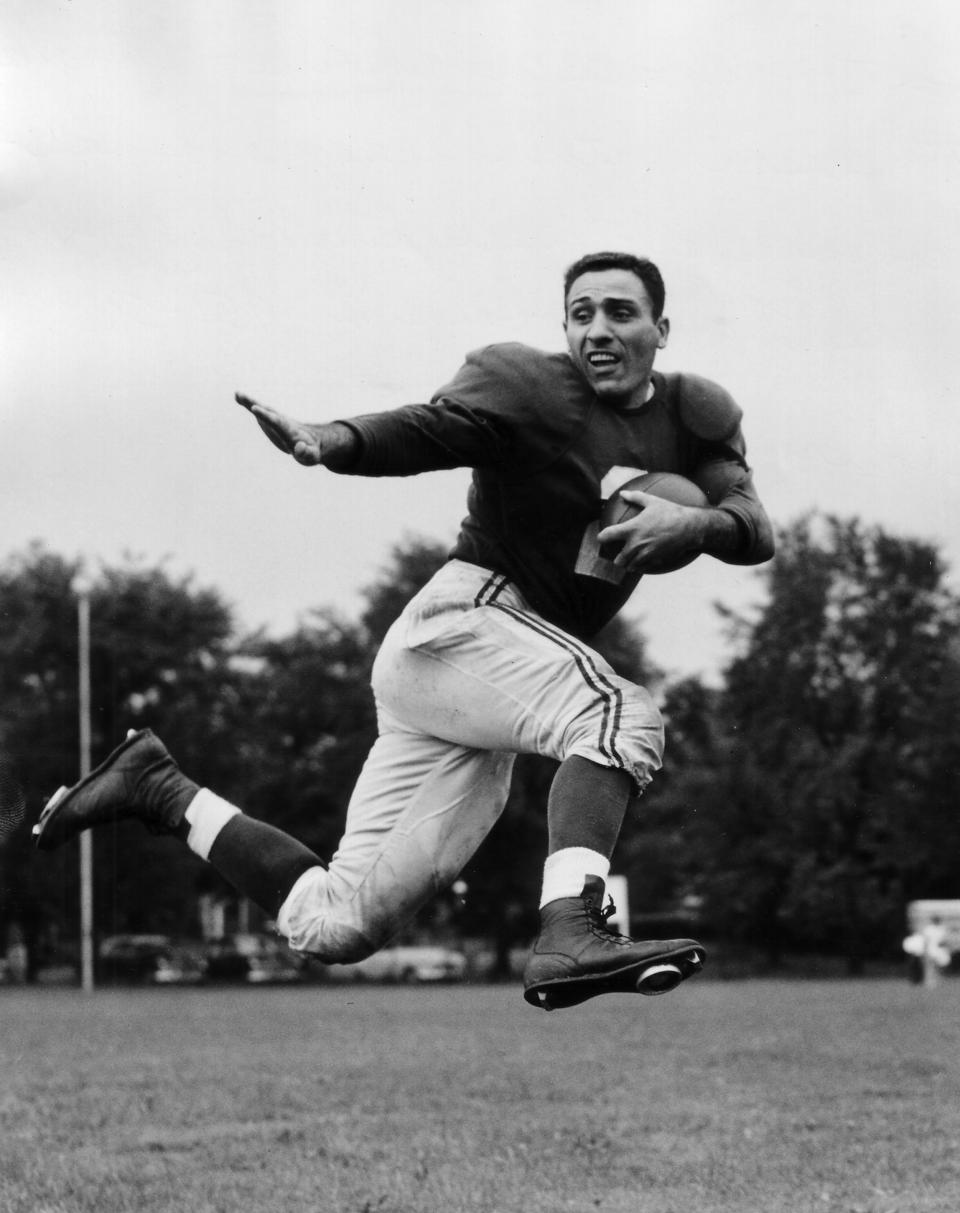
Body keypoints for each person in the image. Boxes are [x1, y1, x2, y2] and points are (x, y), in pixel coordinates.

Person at [35, 251, 774, 1010]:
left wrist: (698, 522)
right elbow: (433, 429)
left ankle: (158, 788)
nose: (599, 330)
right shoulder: (536, 390)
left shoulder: (692, 414)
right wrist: (334, 438)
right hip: (465, 622)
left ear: (662, 327)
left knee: (336, 926)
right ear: (563, 327)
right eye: (581, 313)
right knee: (619, 714)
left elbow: (754, 526)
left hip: (483, 691)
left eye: (620, 311)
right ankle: (572, 926)